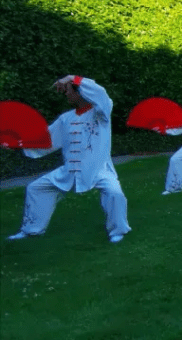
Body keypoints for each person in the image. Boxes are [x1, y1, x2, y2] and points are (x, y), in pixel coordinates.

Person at [6, 75, 130, 243]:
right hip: (69, 170)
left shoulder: (101, 113)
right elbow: (45, 140)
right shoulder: (66, 118)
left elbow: (100, 93)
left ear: (81, 92)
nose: (66, 94)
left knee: (115, 193)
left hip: (98, 169)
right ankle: (31, 230)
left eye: (68, 91)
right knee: (36, 188)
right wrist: (16, 143)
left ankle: (118, 231)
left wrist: (73, 78)